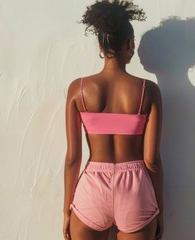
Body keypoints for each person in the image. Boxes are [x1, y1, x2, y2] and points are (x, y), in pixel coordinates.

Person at [63, 1, 164, 239]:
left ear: (100, 44)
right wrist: (159, 209)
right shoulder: (147, 91)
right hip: (136, 191)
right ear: (130, 44)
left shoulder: (78, 89)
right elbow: (152, 161)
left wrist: (67, 210)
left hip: (92, 191)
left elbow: (72, 159)